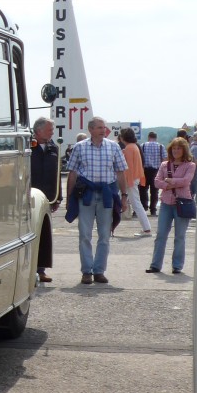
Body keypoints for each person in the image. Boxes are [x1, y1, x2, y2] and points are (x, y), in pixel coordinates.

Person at [65, 116, 128, 285]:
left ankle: (99, 270)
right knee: (84, 234)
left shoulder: (114, 147)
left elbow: (121, 172)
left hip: (106, 193)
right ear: (90, 129)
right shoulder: (79, 147)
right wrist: (69, 196)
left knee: (104, 235)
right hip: (86, 194)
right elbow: (72, 173)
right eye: (99, 127)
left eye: (104, 127)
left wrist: (124, 196)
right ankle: (87, 271)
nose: (103, 130)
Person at [148, 136, 197, 275]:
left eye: (179, 148)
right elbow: (157, 182)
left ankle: (177, 266)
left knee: (180, 236)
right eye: (174, 148)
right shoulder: (165, 165)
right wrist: (169, 184)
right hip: (166, 203)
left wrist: (169, 181)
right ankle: (155, 265)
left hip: (182, 202)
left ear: (184, 150)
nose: (176, 151)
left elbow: (187, 181)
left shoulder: (190, 165)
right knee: (161, 234)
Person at [29, 117, 59, 283]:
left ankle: (41, 270)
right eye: (49, 130)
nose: (52, 133)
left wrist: (57, 197)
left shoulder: (53, 147)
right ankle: (29, 269)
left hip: (47, 197)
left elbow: (57, 172)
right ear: (38, 130)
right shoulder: (28, 145)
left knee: (43, 235)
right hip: (29, 196)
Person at [118, 127, 152, 236]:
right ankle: (146, 228)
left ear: (123, 137)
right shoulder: (134, 147)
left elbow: (128, 167)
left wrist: (127, 182)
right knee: (134, 203)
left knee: (132, 203)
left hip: (130, 179)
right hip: (135, 178)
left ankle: (147, 229)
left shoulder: (129, 148)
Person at [142, 131, 165, 215]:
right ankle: (153, 209)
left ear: (149, 137)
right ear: (156, 138)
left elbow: (140, 158)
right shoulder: (161, 146)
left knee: (143, 190)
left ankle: (144, 206)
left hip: (145, 170)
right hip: (156, 170)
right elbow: (164, 159)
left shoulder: (143, 145)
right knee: (155, 191)